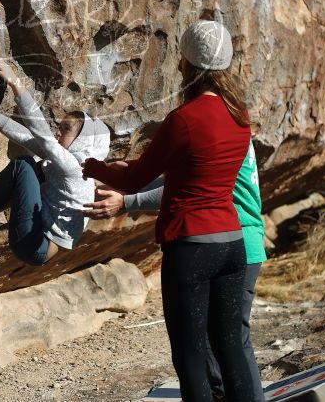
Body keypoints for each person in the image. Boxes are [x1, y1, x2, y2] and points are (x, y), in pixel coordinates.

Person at [82, 20, 254, 402]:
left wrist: (94, 167)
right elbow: (193, 170)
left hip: (192, 246)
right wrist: (138, 169)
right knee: (229, 348)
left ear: (187, 65)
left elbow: (136, 179)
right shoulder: (240, 117)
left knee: (190, 353)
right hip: (232, 242)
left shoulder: (184, 119)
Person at [83, 140, 267, 402]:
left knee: (232, 338)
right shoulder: (231, 130)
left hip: (232, 240)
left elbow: (184, 188)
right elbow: (176, 179)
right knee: (214, 338)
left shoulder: (217, 134)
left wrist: (127, 200)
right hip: (238, 239)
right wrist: (125, 177)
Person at [0, 60, 110, 266]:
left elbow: (42, 135)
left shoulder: (76, 169)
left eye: (65, 130)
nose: (58, 132)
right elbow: (29, 138)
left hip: (34, 243)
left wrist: (16, 83)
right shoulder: (73, 164)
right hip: (37, 239)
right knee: (37, 168)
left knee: (24, 165)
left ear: (83, 142)